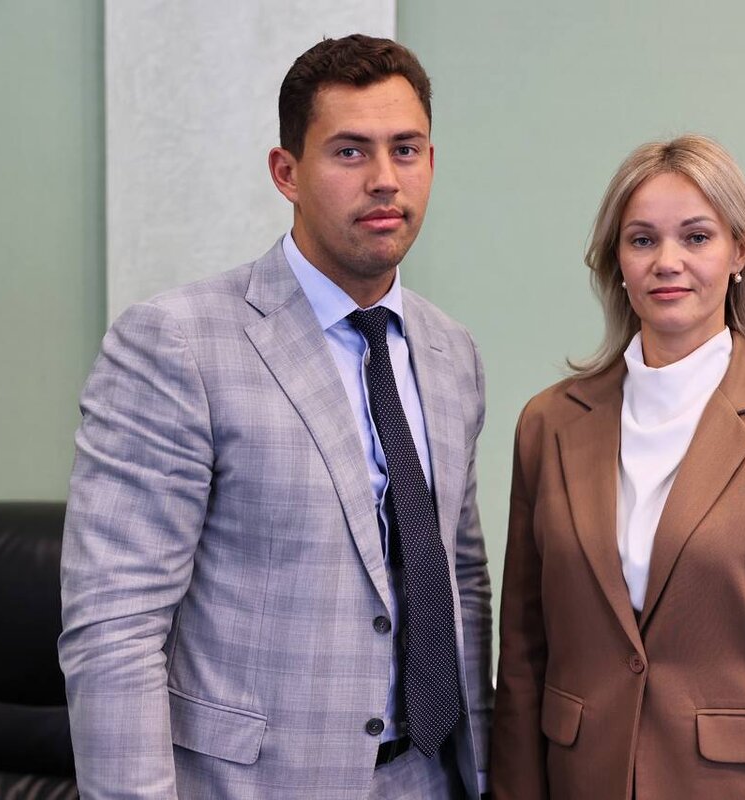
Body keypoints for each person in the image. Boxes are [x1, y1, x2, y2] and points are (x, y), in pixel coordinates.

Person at [59, 34, 492, 800]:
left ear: (431, 161)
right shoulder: (177, 343)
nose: (385, 179)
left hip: (430, 778)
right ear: (286, 172)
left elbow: (460, 578)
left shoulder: (451, 351)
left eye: (406, 150)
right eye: (350, 152)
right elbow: (115, 626)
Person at [490, 135, 745, 799]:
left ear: (739, 253)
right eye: (642, 240)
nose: (667, 262)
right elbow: (524, 654)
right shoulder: (548, 424)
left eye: (696, 237)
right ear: (617, 260)